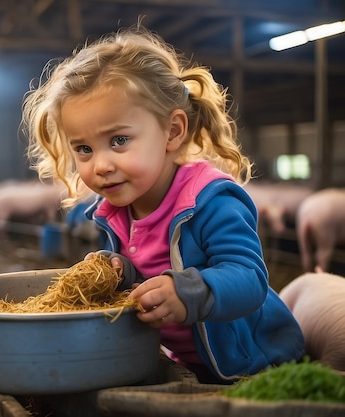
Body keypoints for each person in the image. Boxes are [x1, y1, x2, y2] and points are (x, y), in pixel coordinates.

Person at [21, 24, 304, 383]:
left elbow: (250, 279)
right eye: (84, 149)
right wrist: (117, 269)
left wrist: (188, 292)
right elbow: (145, 271)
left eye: (119, 140)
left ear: (172, 131)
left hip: (253, 362)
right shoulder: (116, 210)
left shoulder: (211, 201)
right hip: (188, 361)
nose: (101, 165)